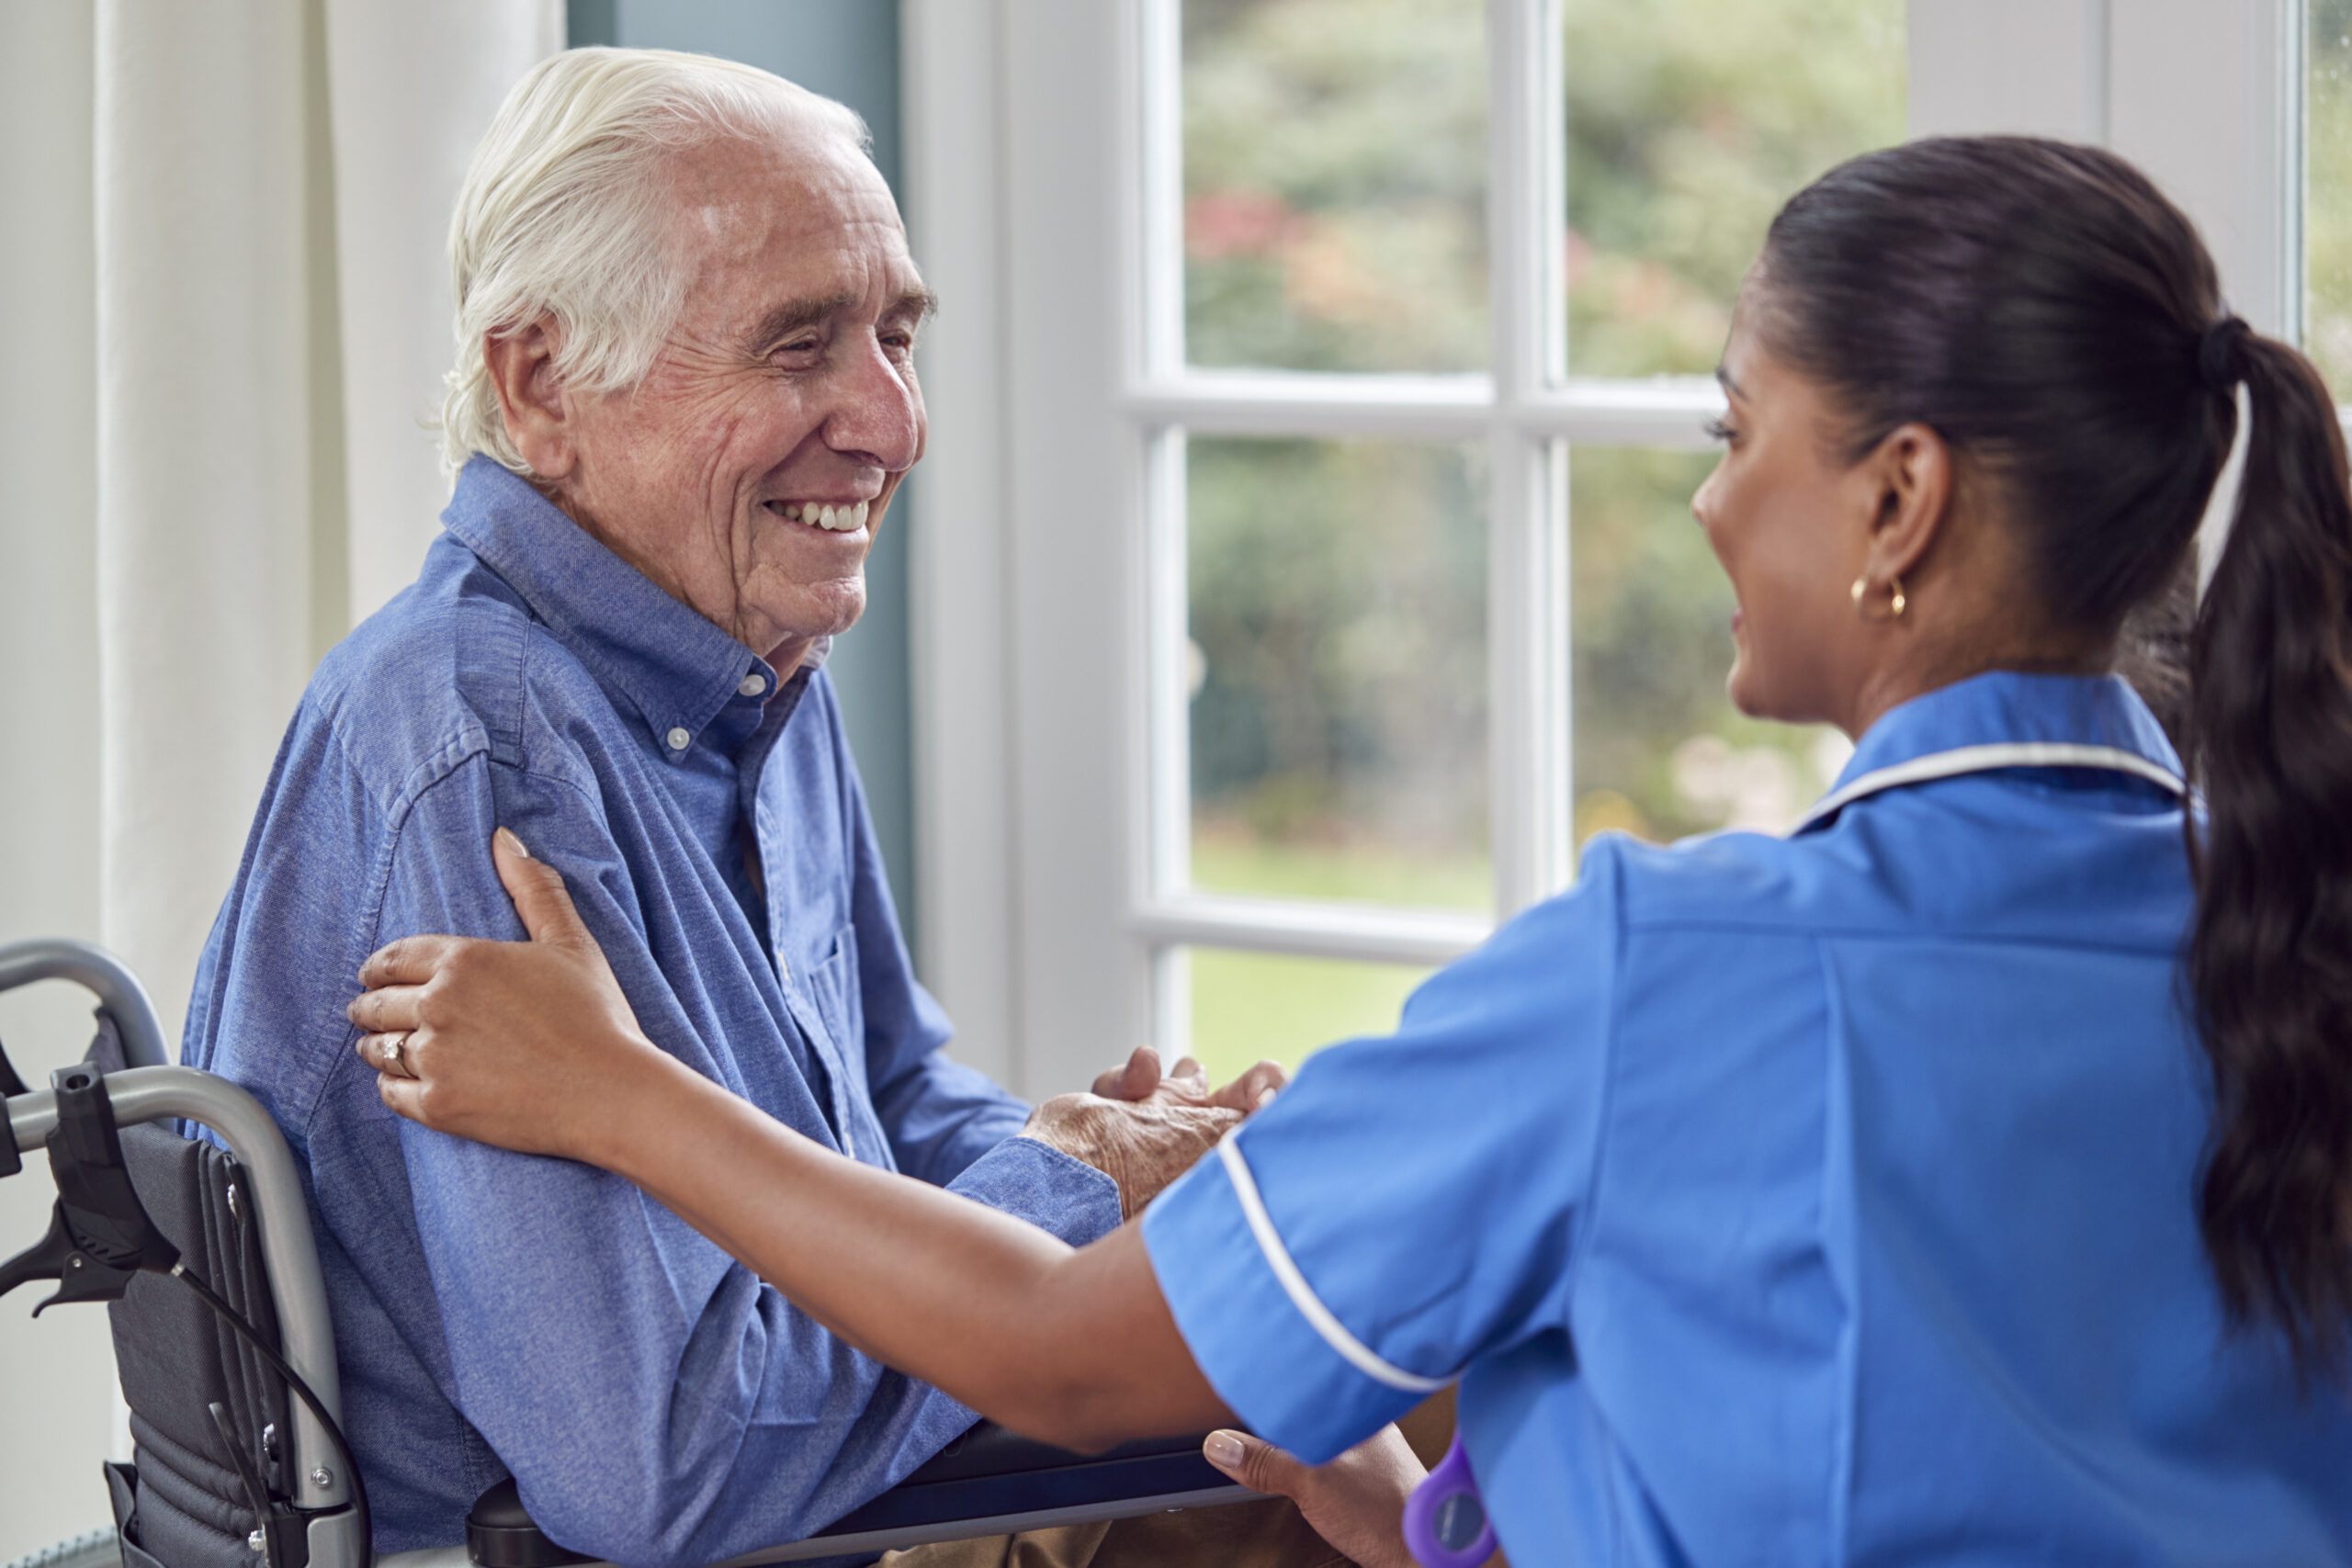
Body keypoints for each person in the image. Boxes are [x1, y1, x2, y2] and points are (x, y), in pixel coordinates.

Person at [348, 135, 2352, 1564]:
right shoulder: (2291, 938)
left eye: (1737, 431)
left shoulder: (1670, 974)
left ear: (1897, 499)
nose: (1708, 506)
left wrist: (617, 1094)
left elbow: (1055, 1358)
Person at [183, 47, 1313, 1564]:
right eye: (799, 349)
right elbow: (668, 1468)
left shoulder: (749, 656)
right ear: (543, 384)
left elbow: (896, 1109)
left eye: (897, 336)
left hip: (832, 1508)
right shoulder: (487, 746)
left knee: (1378, 1405)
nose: (894, 424)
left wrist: (1128, 1170)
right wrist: (1069, 1189)